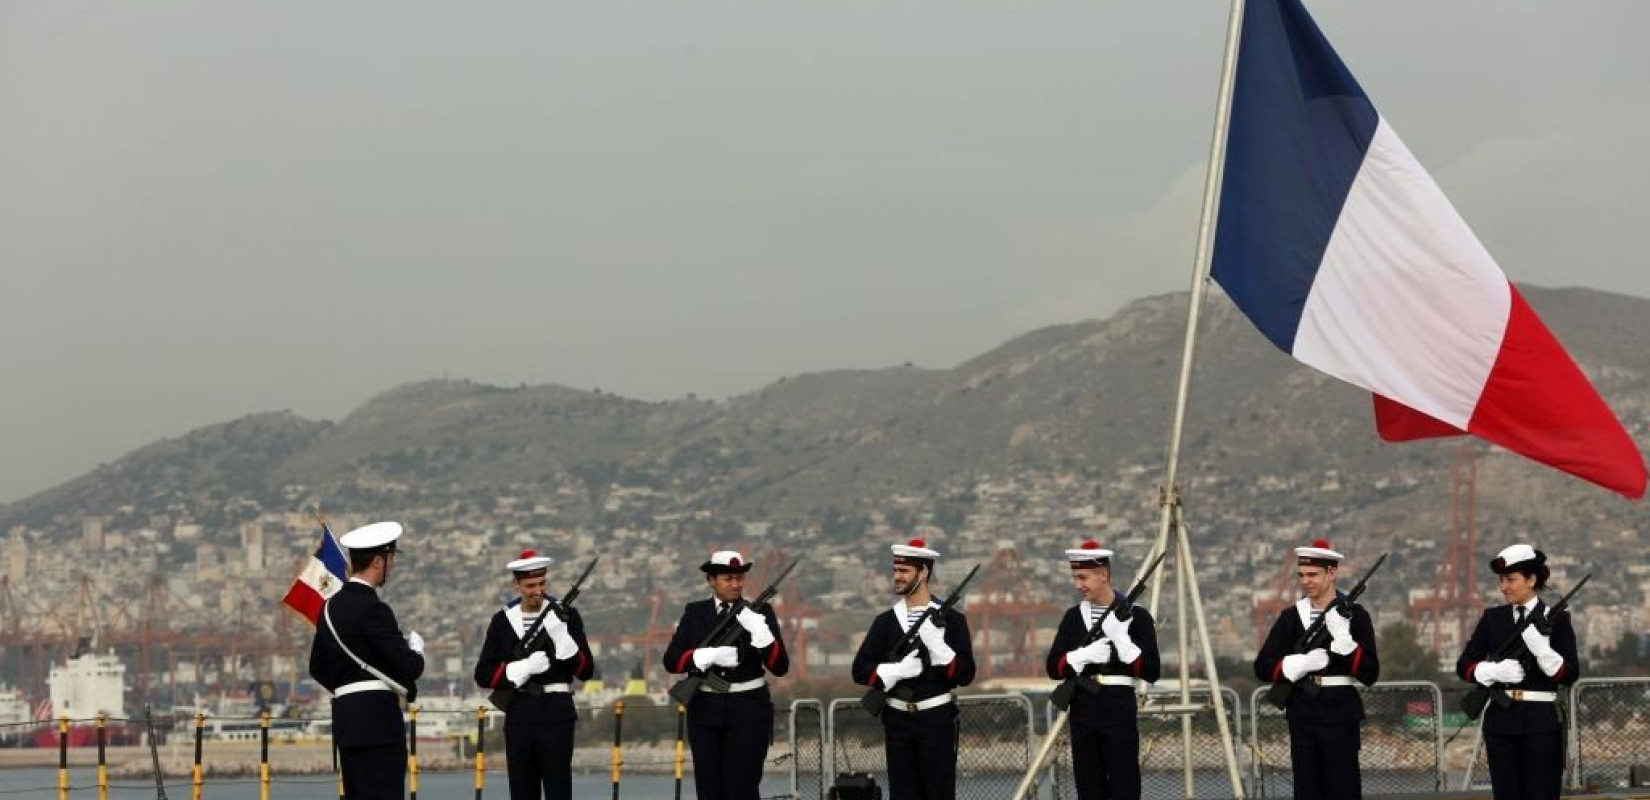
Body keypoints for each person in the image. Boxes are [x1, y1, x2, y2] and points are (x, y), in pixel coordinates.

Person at [1252, 538, 1379, 800]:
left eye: (1313, 574)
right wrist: (1296, 664)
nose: (1306, 581)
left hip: (1341, 712)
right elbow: (1263, 666)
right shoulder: (1291, 617)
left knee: (1343, 789)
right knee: (1307, 790)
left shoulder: (1356, 616)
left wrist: (1345, 644)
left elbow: (1370, 673)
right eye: (1301, 575)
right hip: (1303, 712)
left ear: (1332, 573)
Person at [850, 538, 976, 800]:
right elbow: (860, 670)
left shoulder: (952, 620)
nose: (897, 577)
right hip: (897, 721)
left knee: (939, 792)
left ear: (924, 572)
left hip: (937, 719)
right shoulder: (885, 622)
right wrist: (895, 671)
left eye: (904, 571)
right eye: (896, 570)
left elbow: (966, 674)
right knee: (903, 793)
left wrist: (940, 649)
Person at [308, 521, 425, 800]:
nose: (392, 565)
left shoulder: (328, 608)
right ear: (377, 561)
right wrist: (417, 650)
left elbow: (317, 667)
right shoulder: (374, 609)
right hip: (379, 723)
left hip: (347, 722)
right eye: (391, 558)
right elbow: (410, 667)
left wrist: (351, 688)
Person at [662, 550, 789, 800]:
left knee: (743, 787)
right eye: (727, 579)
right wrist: (703, 657)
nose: (735, 584)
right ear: (711, 580)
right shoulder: (695, 613)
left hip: (749, 709)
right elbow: (671, 660)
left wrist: (762, 635)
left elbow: (780, 666)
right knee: (709, 789)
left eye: (739, 579)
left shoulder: (760, 613)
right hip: (705, 711)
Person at [1456, 544, 1580, 800]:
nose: (1504, 587)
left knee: (1542, 794)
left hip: (1541, 722)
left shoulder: (1557, 620)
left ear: (1532, 579)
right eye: (1501, 580)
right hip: (1501, 721)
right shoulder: (1493, 618)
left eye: (1511, 580)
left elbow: (1570, 674)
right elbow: (1464, 664)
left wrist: (1543, 651)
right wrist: (1492, 671)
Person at [473, 550, 594, 800]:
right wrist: (519, 669)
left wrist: (563, 640)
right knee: (521, 789)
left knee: (558, 789)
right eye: (529, 585)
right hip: (520, 710)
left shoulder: (566, 616)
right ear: (516, 584)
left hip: (557, 710)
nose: (536, 590)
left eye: (541, 584)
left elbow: (586, 670)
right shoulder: (503, 621)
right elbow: (483, 674)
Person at [1044, 541, 1160, 800]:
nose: (1078, 584)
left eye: (1083, 577)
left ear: (1103, 575)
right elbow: (1054, 667)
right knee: (1088, 785)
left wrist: (1123, 641)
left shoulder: (1138, 617)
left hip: (1119, 706)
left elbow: (1152, 671)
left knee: (1124, 784)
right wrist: (1081, 655)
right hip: (1083, 707)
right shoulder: (1073, 617)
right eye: (1075, 577)